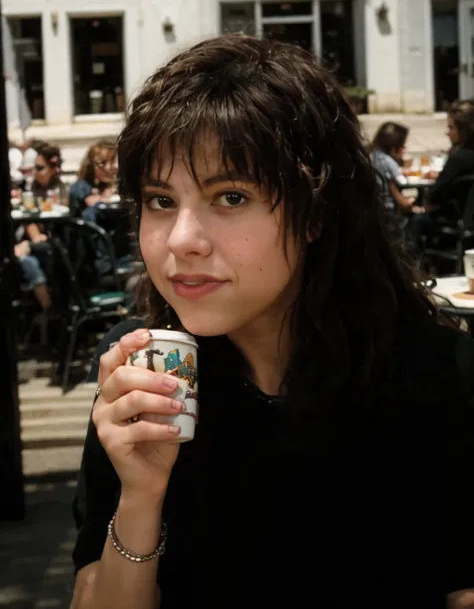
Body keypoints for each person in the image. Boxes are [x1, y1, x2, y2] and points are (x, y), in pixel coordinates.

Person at [70, 35, 474, 609]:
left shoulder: (435, 374)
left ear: (314, 213)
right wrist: (140, 494)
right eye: (160, 200)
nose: (181, 240)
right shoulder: (145, 375)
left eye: (230, 196)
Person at [405, 99, 474, 251]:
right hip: (467, 218)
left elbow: (435, 194)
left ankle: (410, 265)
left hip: (455, 219)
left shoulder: (459, 158)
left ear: (463, 130)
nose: (447, 132)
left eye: (451, 128)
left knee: (415, 219)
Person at [369, 121, 422, 226]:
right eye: (402, 146)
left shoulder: (374, 155)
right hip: (389, 211)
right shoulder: (388, 162)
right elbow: (401, 182)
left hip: (375, 208)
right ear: (393, 148)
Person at [69, 140, 117, 221]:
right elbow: (91, 204)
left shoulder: (112, 184)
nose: (108, 168)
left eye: (112, 161)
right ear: (91, 165)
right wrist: (104, 197)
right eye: (102, 163)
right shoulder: (80, 186)